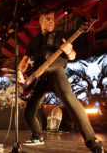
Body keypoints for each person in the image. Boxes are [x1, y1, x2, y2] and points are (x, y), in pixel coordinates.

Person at [17, 9, 104, 152]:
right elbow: (25, 60)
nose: (52, 21)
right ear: (41, 20)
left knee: (70, 100)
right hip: (38, 78)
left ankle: (92, 141)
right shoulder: (33, 41)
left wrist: (69, 50)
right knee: (28, 113)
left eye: (53, 19)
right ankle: (37, 136)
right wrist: (20, 72)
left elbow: (72, 56)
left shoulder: (61, 35)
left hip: (56, 72)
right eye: (48, 18)